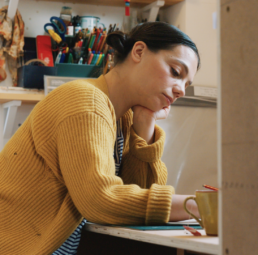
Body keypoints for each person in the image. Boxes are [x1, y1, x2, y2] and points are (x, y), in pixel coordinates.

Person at [0, 22, 200, 255]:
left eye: (187, 84)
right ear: (139, 52)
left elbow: (135, 200)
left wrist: (145, 123)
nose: (181, 91)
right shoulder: (85, 100)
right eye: (176, 72)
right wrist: (197, 206)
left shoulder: (123, 116)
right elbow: (100, 200)